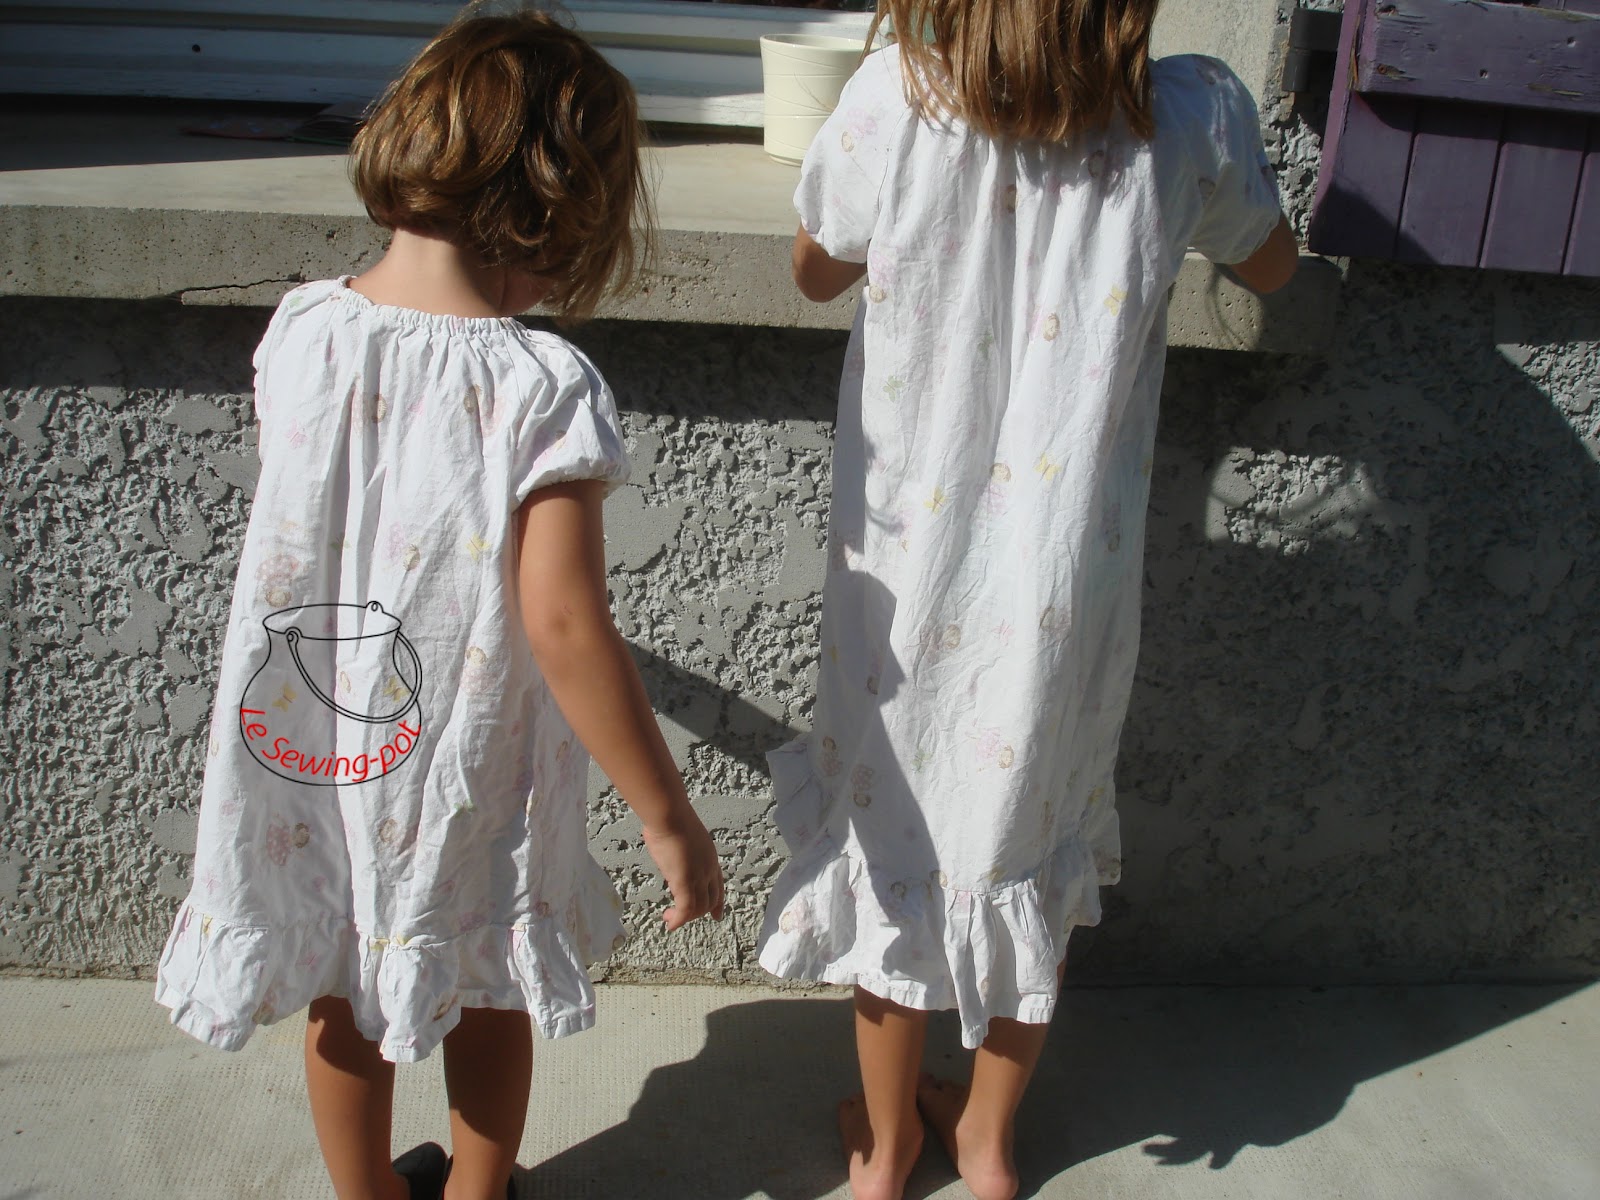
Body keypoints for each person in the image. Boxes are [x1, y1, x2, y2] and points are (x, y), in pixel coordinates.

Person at [153, 12, 724, 1200]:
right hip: (468, 763)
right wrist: (667, 815)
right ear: (560, 203)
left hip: (319, 741)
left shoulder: (306, 329)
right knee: (489, 975)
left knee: (340, 972)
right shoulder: (538, 384)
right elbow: (563, 624)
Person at [756, 2, 1299, 1198]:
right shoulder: (1190, 117)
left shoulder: (897, 99)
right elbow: (1272, 263)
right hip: (1065, 571)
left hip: (906, 559)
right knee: (1030, 818)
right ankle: (989, 1140)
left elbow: (813, 269)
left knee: (894, 824)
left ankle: (886, 1148)